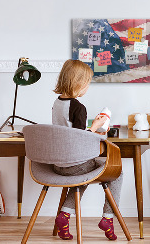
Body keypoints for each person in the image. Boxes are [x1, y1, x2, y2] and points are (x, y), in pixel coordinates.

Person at [52, 59, 122, 241]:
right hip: (75, 164)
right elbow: (79, 139)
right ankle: (108, 218)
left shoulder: (57, 103)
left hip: (58, 164)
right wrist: (96, 127)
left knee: (83, 175)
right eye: (87, 83)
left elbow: (69, 132)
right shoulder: (78, 107)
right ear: (79, 83)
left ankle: (64, 216)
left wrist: (91, 127)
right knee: (117, 172)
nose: (87, 87)